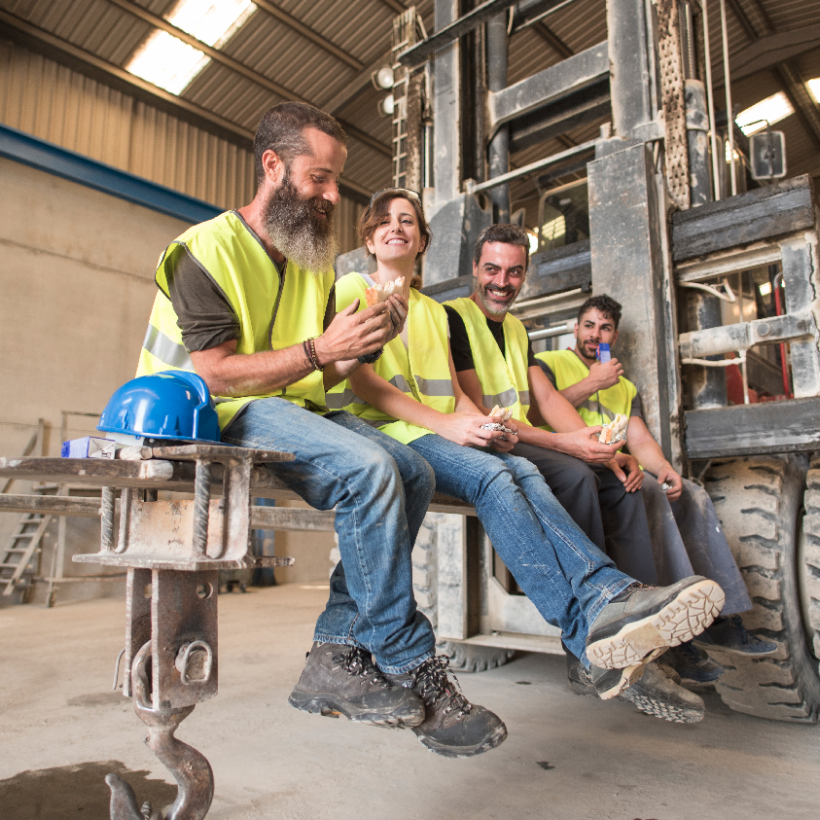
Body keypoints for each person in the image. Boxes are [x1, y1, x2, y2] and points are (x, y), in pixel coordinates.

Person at [135, 101, 509, 759]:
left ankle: (335, 654)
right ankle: (408, 657)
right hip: (207, 412)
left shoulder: (312, 262)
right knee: (369, 469)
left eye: (337, 180)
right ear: (273, 166)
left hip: (290, 408)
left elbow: (320, 379)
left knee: (411, 468)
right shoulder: (205, 250)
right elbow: (219, 373)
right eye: (320, 178)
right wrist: (319, 351)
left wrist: (358, 347)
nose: (334, 195)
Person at [328, 188, 725, 726]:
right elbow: (365, 382)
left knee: (522, 469)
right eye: (386, 220)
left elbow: (458, 396)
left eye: (409, 222)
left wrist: (482, 424)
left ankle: (610, 600)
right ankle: (590, 623)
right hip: (392, 431)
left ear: (422, 241)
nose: (397, 227)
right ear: (370, 235)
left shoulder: (433, 313)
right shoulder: (353, 286)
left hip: (444, 430)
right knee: (501, 476)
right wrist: (454, 424)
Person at [443, 224, 720, 714]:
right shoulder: (456, 318)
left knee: (622, 483)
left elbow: (546, 400)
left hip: (520, 435)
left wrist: (604, 451)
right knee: (575, 475)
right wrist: (571, 446)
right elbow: (483, 412)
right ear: (475, 270)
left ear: (524, 274)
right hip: (487, 439)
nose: (502, 281)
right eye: (492, 269)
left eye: (513, 271)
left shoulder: (516, 328)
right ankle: (587, 644)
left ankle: (637, 627)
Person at [536, 294, 777, 659]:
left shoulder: (624, 384)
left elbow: (637, 434)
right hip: (571, 467)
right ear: (575, 328)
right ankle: (670, 636)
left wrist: (664, 468)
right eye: (588, 325)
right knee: (645, 491)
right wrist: (591, 383)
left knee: (687, 493)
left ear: (614, 336)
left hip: (614, 466)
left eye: (605, 328)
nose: (595, 334)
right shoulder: (548, 362)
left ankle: (718, 620)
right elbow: (538, 409)